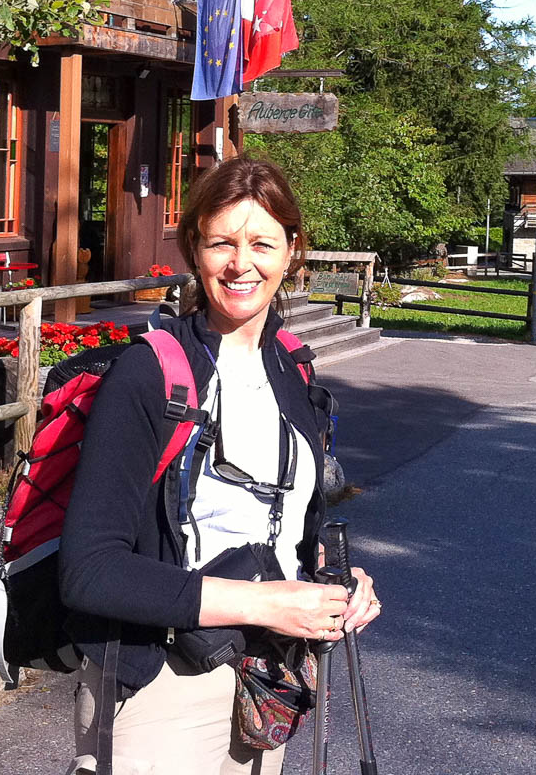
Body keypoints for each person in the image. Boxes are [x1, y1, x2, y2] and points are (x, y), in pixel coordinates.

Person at [59, 156, 380, 774]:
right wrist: (262, 604)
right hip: (162, 692)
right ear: (194, 251)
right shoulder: (150, 374)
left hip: (268, 682)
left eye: (262, 242)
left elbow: (288, 529)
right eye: (221, 243)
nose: (241, 264)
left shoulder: (294, 368)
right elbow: (90, 572)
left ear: (292, 251)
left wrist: (334, 583)